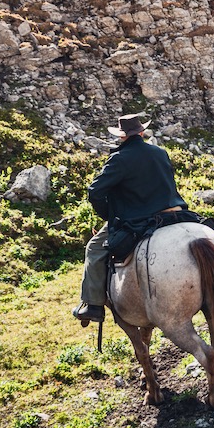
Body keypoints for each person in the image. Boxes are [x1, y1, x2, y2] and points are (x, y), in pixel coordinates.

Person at [72, 113, 187, 323]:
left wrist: (109, 215)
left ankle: (93, 305)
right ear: (141, 132)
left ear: (122, 136)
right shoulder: (160, 153)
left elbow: (94, 192)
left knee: (94, 249)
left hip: (138, 218)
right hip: (173, 213)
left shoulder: (120, 159)